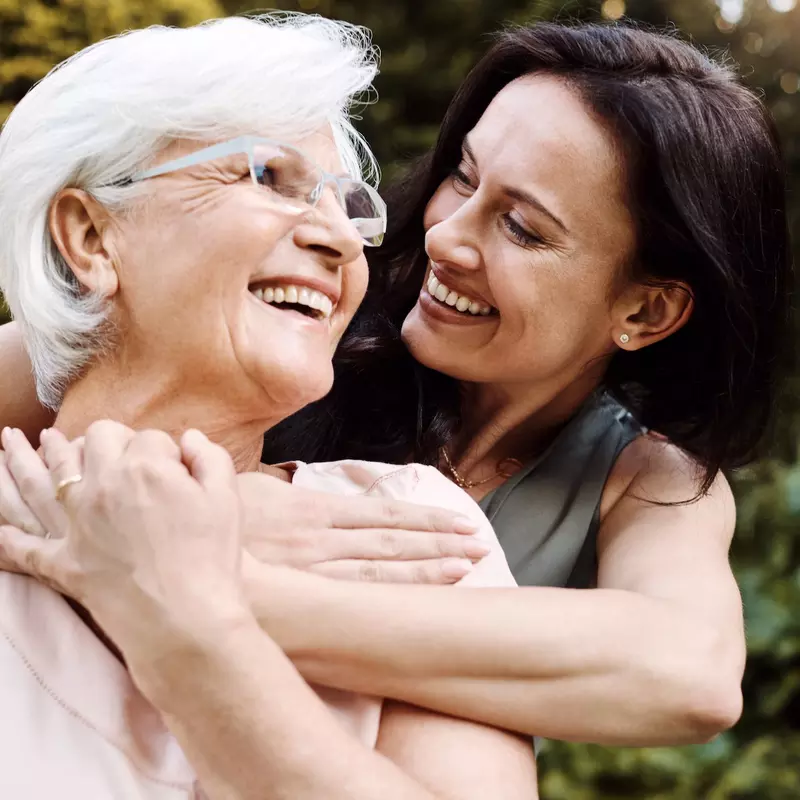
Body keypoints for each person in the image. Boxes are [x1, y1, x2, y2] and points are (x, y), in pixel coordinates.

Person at [0, 20, 790, 749]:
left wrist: (206, 578)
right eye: (463, 175)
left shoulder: (645, 482)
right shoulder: (290, 319)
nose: (444, 235)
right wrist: (153, 504)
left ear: (646, 310)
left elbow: (687, 677)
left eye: (522, 227)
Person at [0, 13, 538, 799]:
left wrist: (178, 614)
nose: (339, 239)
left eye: (347, 202)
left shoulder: (411, 530)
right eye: (266, 176)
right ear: (90, 236)